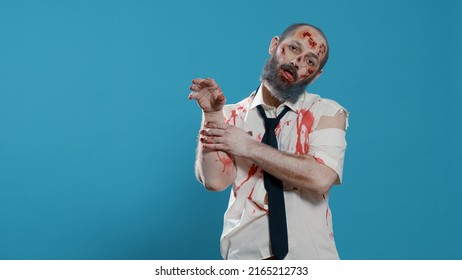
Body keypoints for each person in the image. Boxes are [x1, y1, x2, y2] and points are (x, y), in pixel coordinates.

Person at [188, 23, 348, 260]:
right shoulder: (230, 116)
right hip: (246, 258)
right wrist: (212, 116)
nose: (297, 62)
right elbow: (215, 181)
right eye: (294, 48)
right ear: (274, 45)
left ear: (315, 76)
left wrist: (248, 147)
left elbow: (320, 177)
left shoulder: (327, 113)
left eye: (310, 62)